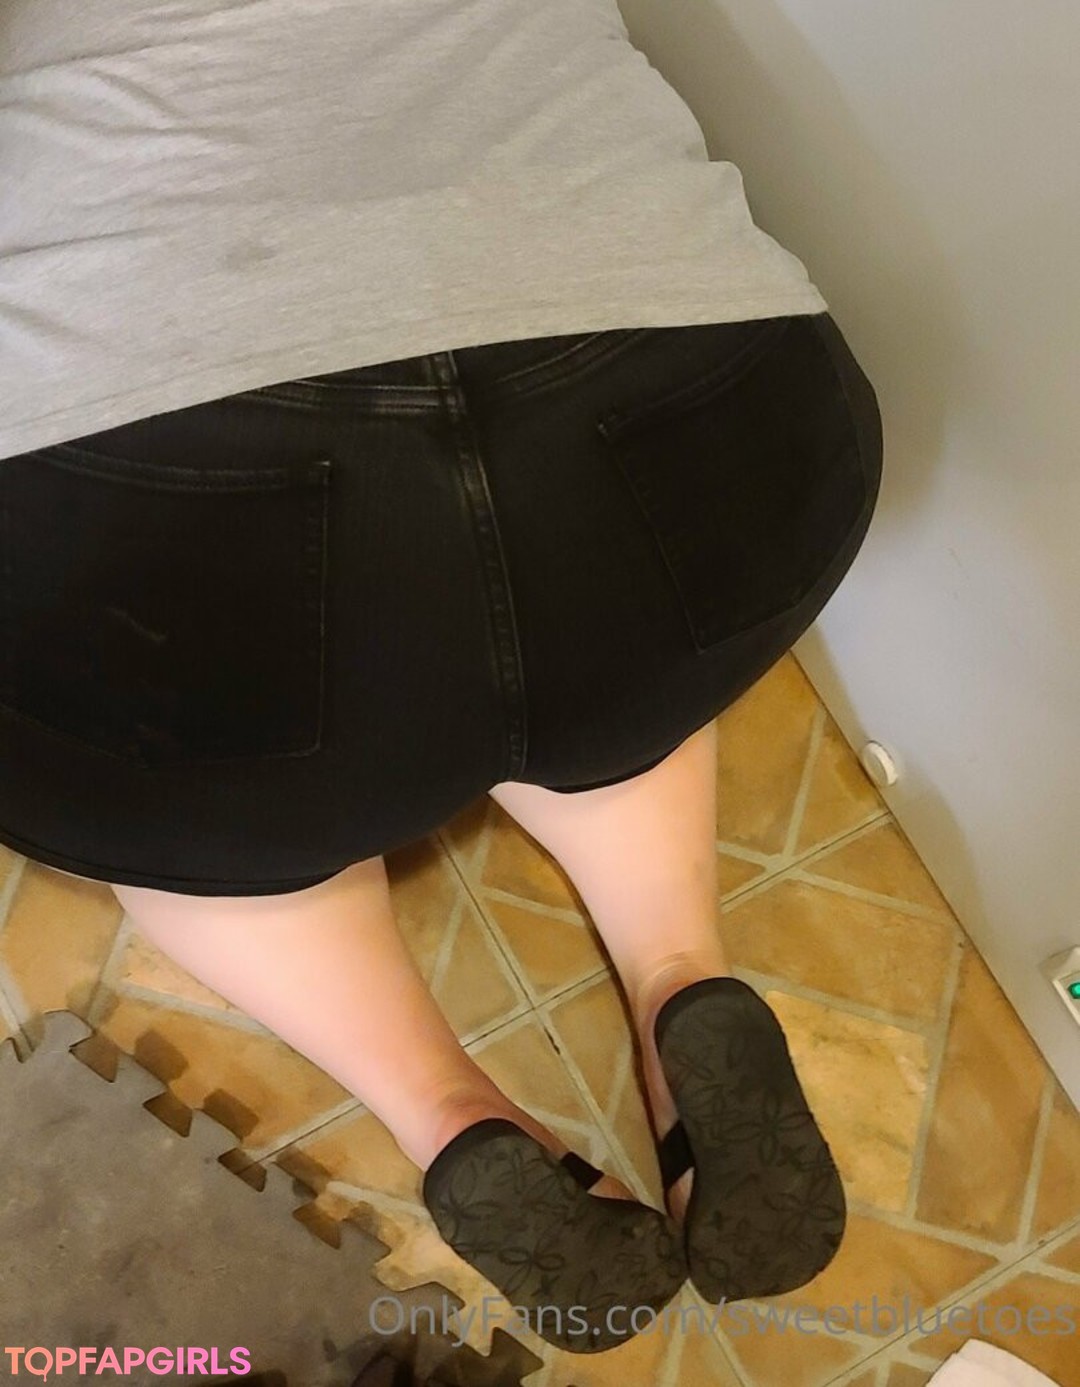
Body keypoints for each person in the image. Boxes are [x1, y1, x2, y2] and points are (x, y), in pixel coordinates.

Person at [0, 0, 881, 1354]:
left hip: (167, 482)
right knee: (593, 628)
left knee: (202, 799)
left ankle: (445, 1107)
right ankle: (680, 972)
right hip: (705, 410)